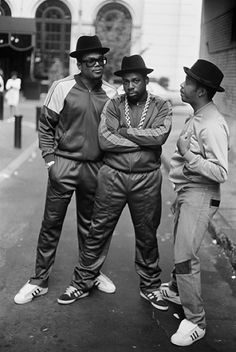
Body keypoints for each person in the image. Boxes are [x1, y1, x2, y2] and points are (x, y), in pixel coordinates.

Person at [57, 55, 172, 310]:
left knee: (147, 234)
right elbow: (105, 140)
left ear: (145, 80)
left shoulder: (162, 105)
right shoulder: (113, 105)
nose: (131, 86)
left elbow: (160, 135)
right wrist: (143, 141)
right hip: (113, 176)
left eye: (136, 81)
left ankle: (151, 287)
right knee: (97, 230)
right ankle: (82, 282)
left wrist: (125, 132)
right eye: (127, 81)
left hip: (147, 179)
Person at [14, 35, 117, 305]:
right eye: (91, 61)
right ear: (80, 64)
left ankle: (90, 273)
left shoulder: (111, 92)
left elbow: (115, 134)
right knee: (51, 224)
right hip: (65, 164)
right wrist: (50, 160)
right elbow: (46, 126)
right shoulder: (62, 87)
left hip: (96, 168)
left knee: (91, 227)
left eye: (101, 60)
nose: (98, 65)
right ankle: (39, 280)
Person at [160, 59, 229, 346]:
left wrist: (190, 157)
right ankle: (178, 290)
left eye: (187, 82)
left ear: (200, 90)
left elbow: (221, 172)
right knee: (180, 247)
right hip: (190, 193)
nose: (181, 85)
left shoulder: (211, 123)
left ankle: (196, 321)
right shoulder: (198, 114)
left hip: (201, 194)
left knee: (185, 256)